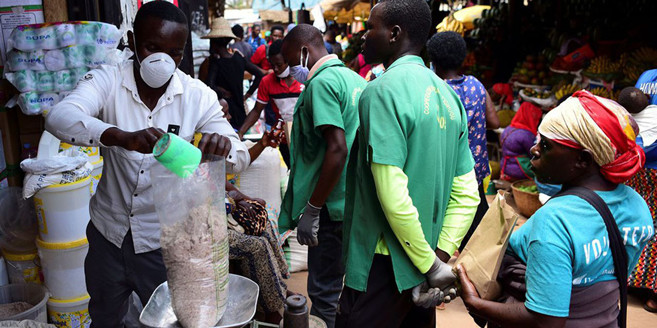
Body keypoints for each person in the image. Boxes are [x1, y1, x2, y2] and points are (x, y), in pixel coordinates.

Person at [43, 2, 250, 325]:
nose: (163, 61)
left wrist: (223, 148)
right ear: (133, 40)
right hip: (108, 234)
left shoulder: (197, 96)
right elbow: (60, 117)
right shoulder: (108, 80)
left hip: (165, 242)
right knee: (105, 316)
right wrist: (119, 136)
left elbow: (240, 156)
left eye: (175, 53)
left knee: (169, 319)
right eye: (153, 47)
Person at [336, 1, 480, 327]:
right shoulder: (448, 96)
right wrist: (436, 260)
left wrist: (430, 267)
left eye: (371, 27)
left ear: (394, 34)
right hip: (424, 257)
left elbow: (392, 192)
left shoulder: (381, 91)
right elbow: (467, 193)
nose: (363, 35)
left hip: (382, 262)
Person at [458, 90, 653, 327]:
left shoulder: (555, 221)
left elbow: (546, 320)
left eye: (546, 145)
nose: (534, 149)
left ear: (583, 159)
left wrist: (473, 303)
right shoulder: (638, 207)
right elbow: (611, 276)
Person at [278, 24, 366, 328]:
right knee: (352, 287)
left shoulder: (321, 84)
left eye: (291, 63)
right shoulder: (355, 80)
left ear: (304, 52)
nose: (290, 71)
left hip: (332, 206)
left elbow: (337, 148)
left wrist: (313, 209)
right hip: (357, 202)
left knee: (324, 292)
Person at [427, 31, 500, 252]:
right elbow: (495, 122)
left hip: (443, 175)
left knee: (438, 236)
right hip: (474, 173)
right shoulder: (476, 85)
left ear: (433, 61)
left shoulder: (432, 90)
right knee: (476, 240)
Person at [618, 87, 657, 313]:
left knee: (637, 223)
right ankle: (650, 292)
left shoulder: (647, 76)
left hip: (638, 170)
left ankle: (635, 280)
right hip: (646, 170)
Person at [237, 40, 302, 166]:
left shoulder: (304, 79)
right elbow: (257, 111)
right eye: (272, 65)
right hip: (284, 139)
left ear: (289, 60)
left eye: (279, 65)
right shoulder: (267, 82)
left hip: (306, 137)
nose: (275, 69)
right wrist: (240, 133)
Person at [201, 17, 264, 129]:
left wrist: (221, 91)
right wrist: (247, 95)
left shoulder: (215, 62)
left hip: (223, 114)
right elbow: (259, 74)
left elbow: (209, 86)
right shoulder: (239, 58)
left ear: (213, 43)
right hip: (240, 114)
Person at [499, 101, 543, 181]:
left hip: (504, 167)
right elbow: (534, 155)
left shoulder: (507, 129)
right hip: (519, 171)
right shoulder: (526, 134)